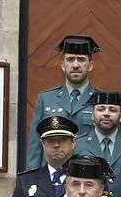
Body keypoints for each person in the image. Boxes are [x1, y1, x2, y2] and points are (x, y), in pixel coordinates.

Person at [25, 35, 99, 169]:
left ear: (90, 65)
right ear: (63, 65)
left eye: (81, 60)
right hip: (52, 174)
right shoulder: (46, 98)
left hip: (86, 174)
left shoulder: (101, 100)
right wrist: (33, 178)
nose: (76, 65)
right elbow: (36, 144)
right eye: (70, 59)